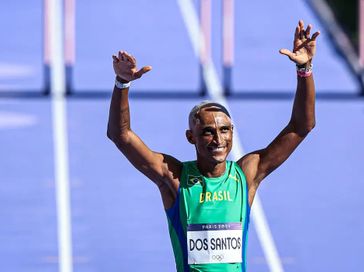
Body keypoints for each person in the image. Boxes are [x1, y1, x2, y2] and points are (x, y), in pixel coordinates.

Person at [107, 20, 319, 272]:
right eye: (207, 132)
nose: (218, 140)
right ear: (190, 137)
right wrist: (122, 83)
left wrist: (305, 68)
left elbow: (301, 127)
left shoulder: (246, 174)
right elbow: (121, 136)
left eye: (224, 130)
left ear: (232, 133)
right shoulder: (174, 178)